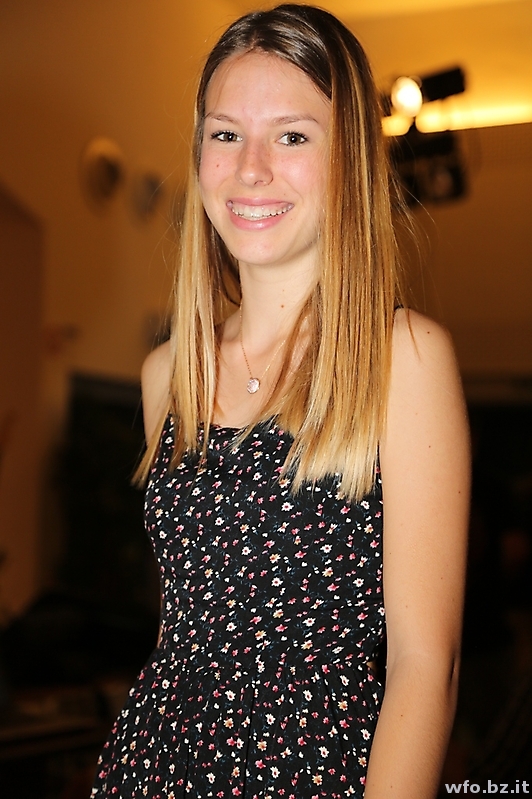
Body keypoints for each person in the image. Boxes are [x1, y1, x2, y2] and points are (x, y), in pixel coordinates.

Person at [91, 4, 470, 798]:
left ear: (348, 160)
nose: (251, 167)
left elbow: (424, 665)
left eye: (292, 136)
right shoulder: (169, 373)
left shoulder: (403, 359)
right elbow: (180, 630)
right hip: (150, 766)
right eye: (226, 133)